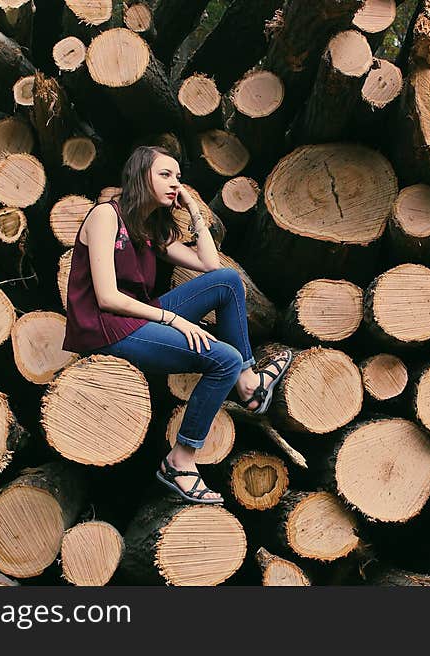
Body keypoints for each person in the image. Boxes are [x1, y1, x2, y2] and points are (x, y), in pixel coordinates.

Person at [62, 146, 292, 504]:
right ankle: (179, 460)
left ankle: (248, 384)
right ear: (141, 177)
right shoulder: (106, 216)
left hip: (134, 317)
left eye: (178, 177)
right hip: (105, 328)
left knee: (228, 281)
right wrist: (173, 319)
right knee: (223, 360)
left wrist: (195, 210)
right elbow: (106, 297)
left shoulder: (147, 226)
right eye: (165, 175)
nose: (174, 184)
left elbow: (211, 266)